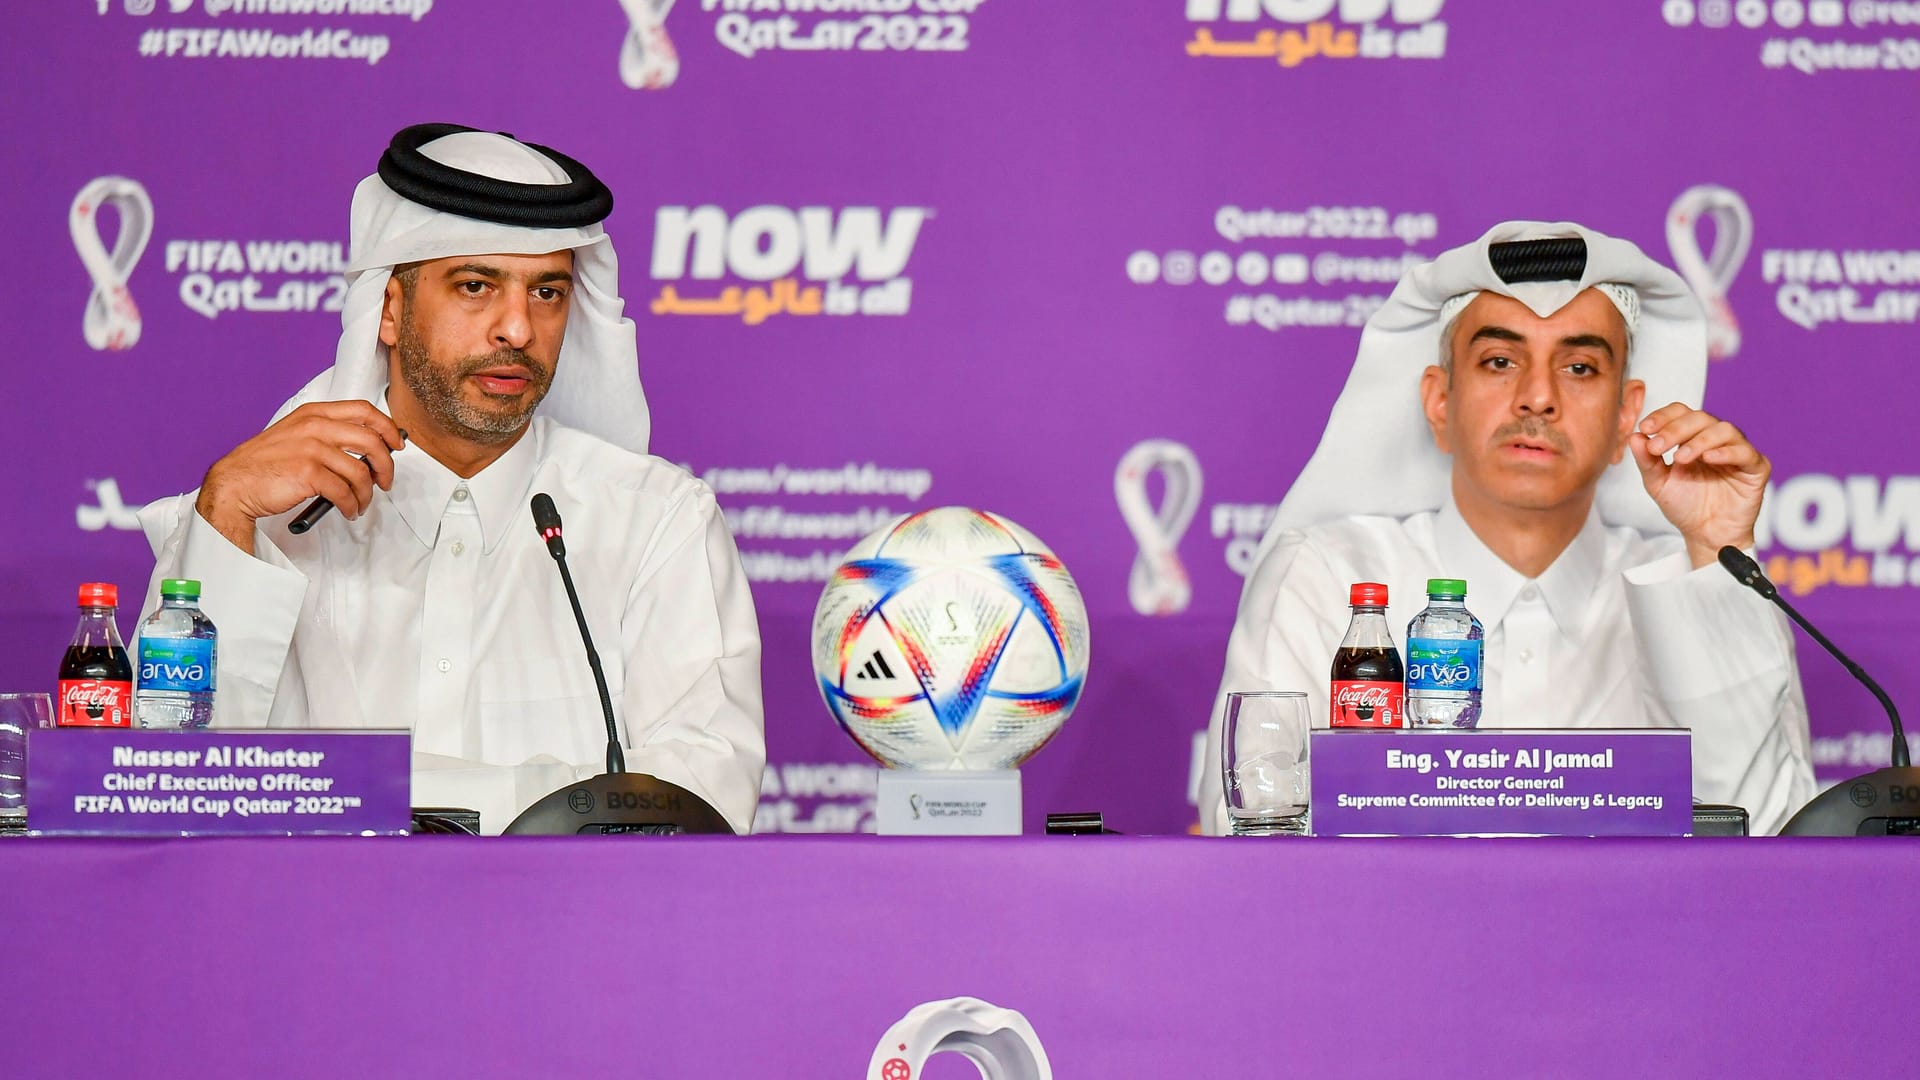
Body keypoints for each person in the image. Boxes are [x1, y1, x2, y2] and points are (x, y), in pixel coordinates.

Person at [137, 124, 765, 834]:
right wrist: (223, 514)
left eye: (548, 293)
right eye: (476, 286)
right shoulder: (257, 516)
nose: (518, 330)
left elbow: (703, 796)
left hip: (576, 938)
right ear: (390, 310)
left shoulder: (657, 520)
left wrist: (342, 790)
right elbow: (166, 785)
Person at [1200, 221, 1816, 836]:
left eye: (1578, 367)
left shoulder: (1712, 583)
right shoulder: (1328, 580)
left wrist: (1713, 554)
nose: (1538, 397)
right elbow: (1253, 841)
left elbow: (1767, 847)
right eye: (1499, 361)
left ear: (1627, 415)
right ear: (1440, 403)